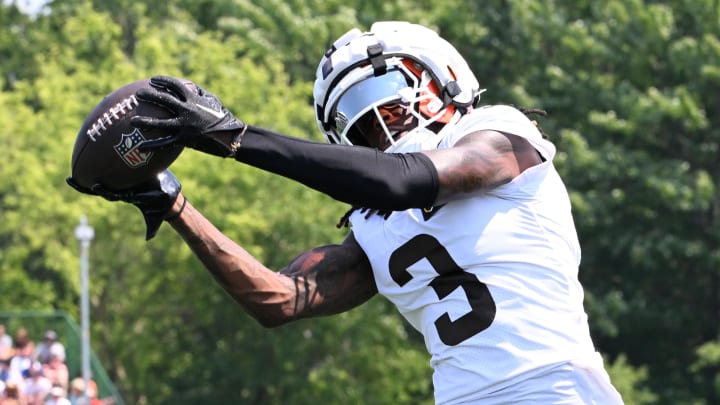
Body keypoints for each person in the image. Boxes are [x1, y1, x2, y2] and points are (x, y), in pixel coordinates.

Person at [67, 21, 623, 404]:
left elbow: (404, 181)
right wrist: (174, 203)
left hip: (557, 388)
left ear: (442, 79)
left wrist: (236, 139)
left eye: (387, 95)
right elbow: (279, 299)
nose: (378, 124)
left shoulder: (499, 136)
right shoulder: (374, 223)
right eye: (355, 119)